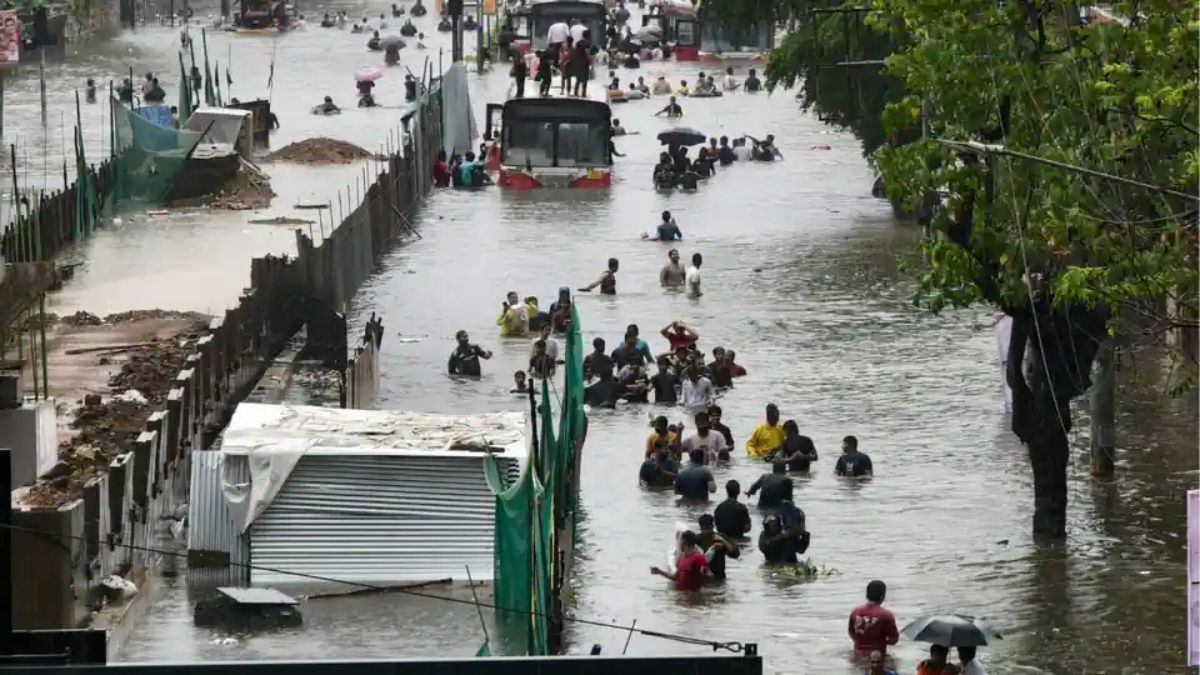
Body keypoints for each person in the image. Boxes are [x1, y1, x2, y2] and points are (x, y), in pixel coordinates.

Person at [849, 580, 900, 658]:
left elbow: (851, 633)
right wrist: (882, 641)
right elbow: (894, 640)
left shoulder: (855, 612)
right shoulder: (886, 615)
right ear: (883, 596)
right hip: (877, 658)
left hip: (857, 656)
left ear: (866, 595)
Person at [758, 497, 808, 563]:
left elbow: (801, 550)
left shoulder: (790, 536)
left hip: (778, 563)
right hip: (778, 562)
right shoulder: (766, 536)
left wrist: (804, 536)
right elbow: (766, 548)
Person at [696, 514, 739, 580]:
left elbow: (735, 554)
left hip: (716, 577)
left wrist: (723, 541)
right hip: (711, 577)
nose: (706, 531)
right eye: (704, 528)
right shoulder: (697, 540)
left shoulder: (719, 538)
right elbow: (735, 554)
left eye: (707, 528)